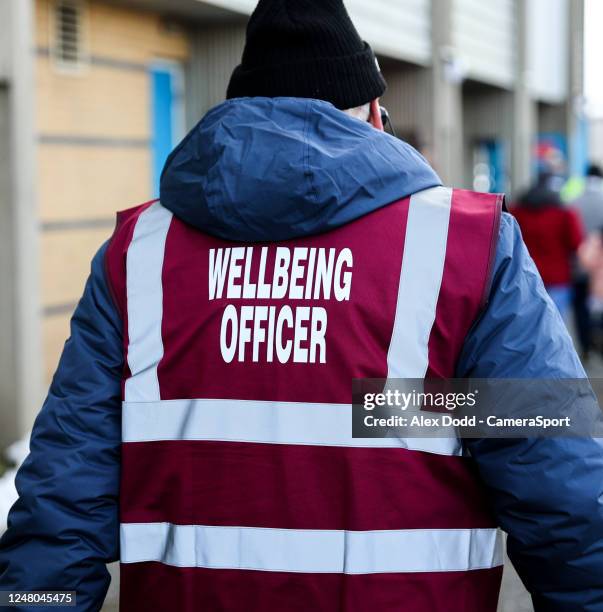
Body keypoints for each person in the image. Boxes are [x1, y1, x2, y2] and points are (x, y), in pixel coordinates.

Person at [1, 1, 602, 610]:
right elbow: (562, 490)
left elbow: (61, 505)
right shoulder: (465, 245)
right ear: (374, 114)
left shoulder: (139, 254)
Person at [512, 172, 584, 319]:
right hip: (558, 277)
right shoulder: (564, 213)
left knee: (529, 325)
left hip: (526, 277)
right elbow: (576, 243)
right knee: (555, 324)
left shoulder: (518, 211)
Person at [573, 164, 603, 358]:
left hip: (580, 265)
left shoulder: (573, 202)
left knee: (580, 306)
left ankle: (585, 346)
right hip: (600, 270)